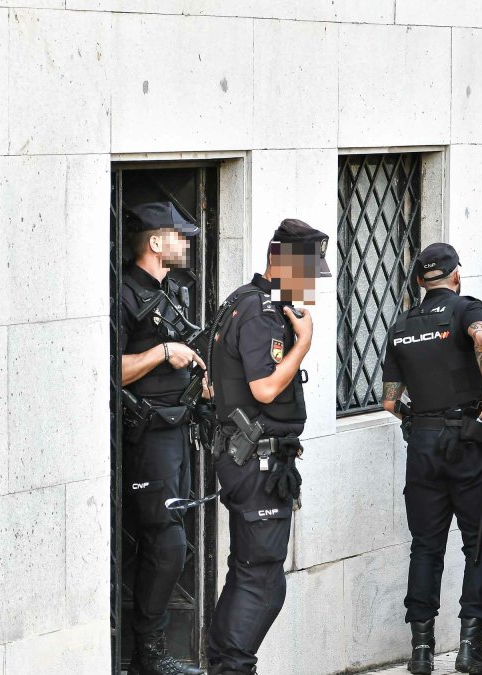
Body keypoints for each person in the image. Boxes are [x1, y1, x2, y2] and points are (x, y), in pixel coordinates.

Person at [205, 219, 329, 675]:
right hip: (255, 461)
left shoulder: (240, 301)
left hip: (252, 459)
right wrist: (304, 343)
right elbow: (264, 388)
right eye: (308, 270)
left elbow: (209, 382)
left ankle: (226, 663)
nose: (313, 280)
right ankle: (231, 668)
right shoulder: (261, 312)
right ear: (281, 262)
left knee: (250, 574)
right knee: (261, 581)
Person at [382, 243, 482, 675]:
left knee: (426, 546)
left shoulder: (401, 326)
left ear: (418, 281)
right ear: (455, 275)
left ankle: (421, 652)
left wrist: (423, 417)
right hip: (468, 440)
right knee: (478, 544)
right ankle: (470, 647)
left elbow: (390, 403)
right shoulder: (466, 308)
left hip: (424, 443)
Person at [119, 202, 208, 675]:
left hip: (178, 432)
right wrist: (163, 351)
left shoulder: (173, 291)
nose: (187, 243)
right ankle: (148, 656)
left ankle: (149, 655)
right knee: (166, 541)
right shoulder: (126, 295)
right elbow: (112, 369)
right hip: (147, 436)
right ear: (156, 242)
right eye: (180, 235)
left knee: (173, 541)